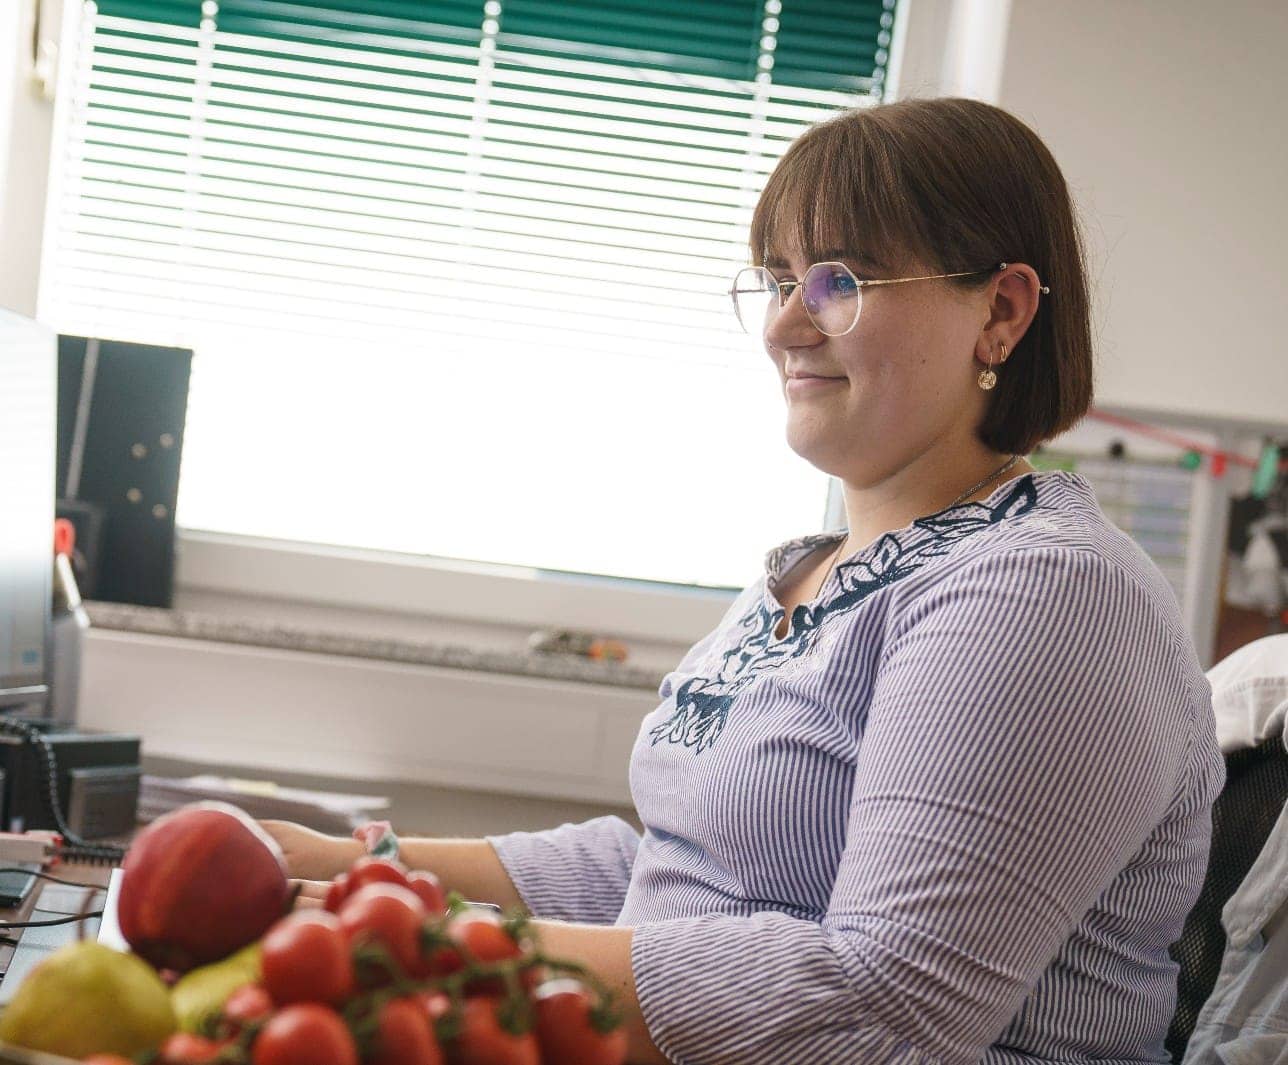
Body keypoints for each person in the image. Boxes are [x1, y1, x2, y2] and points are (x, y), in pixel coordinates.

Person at [263, 97, 1225, 1064]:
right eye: (777, 281)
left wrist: (417, 943)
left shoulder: (1044, 592)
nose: (783, 326)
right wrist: (365, 869)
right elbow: (675, 874)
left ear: (1001, 311)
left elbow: (882, 1007)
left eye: (840, 280)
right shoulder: (815, 571)